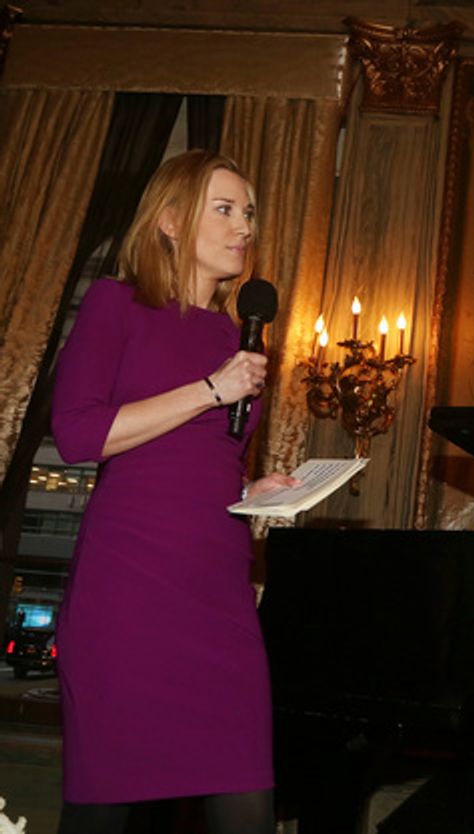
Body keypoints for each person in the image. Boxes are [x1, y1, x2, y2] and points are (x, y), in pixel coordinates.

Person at [50, 150, 299, 834]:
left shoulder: (233, 336)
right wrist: (212, 389)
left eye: (248, 212)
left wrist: (256, 488)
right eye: (223, 209)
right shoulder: (117, 303)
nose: (242, 226)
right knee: (103, 805)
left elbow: (199, 459)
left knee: (247, 794)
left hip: (216, 591)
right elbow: (77, 435)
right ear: (168, 220)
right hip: (128, 588)